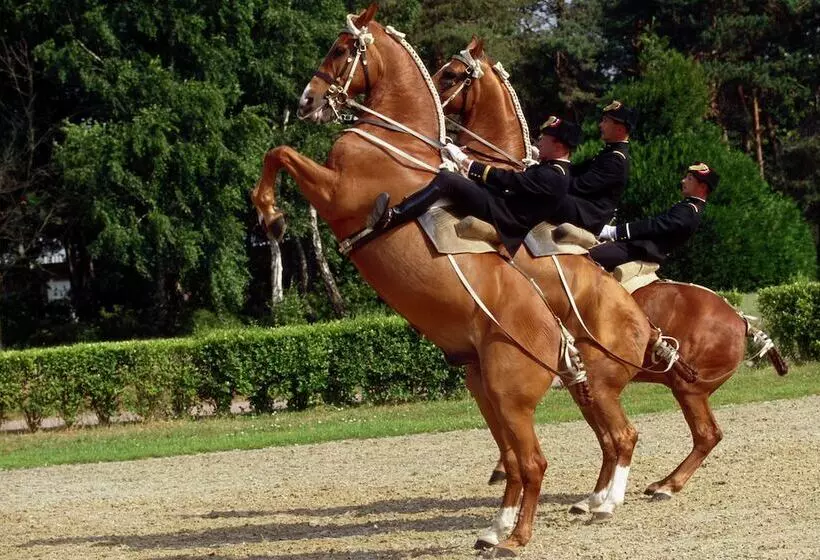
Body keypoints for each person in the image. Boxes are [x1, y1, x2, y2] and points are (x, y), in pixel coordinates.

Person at [366, 116, 582, 255]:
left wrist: (466, 163)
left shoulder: (555, 175)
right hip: (501, 205)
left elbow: (509, 180)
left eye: (545, 138)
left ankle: (392, 217)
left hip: (503, 216)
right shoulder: (553, 169)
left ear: (559, 145)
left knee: (448, 180)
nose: (539, 142)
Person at [588, 162, 719, 271]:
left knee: (587, 257)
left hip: (639, 251)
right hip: (640, 249)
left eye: (689, 178)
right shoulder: (689, 207)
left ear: (702, 187)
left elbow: (656, 226)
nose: (683, 181)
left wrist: (616, 232)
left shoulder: (689, 210)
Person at [554, 100, 638, 235]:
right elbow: (575, 170)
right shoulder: (609, 153)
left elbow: (580, 186)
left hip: (591, 215)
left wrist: (550, 180)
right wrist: (550, 168)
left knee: (546, 195)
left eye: (605, 121)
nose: (600, 125)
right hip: (584, 208)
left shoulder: (616, 159)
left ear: (620, 129)